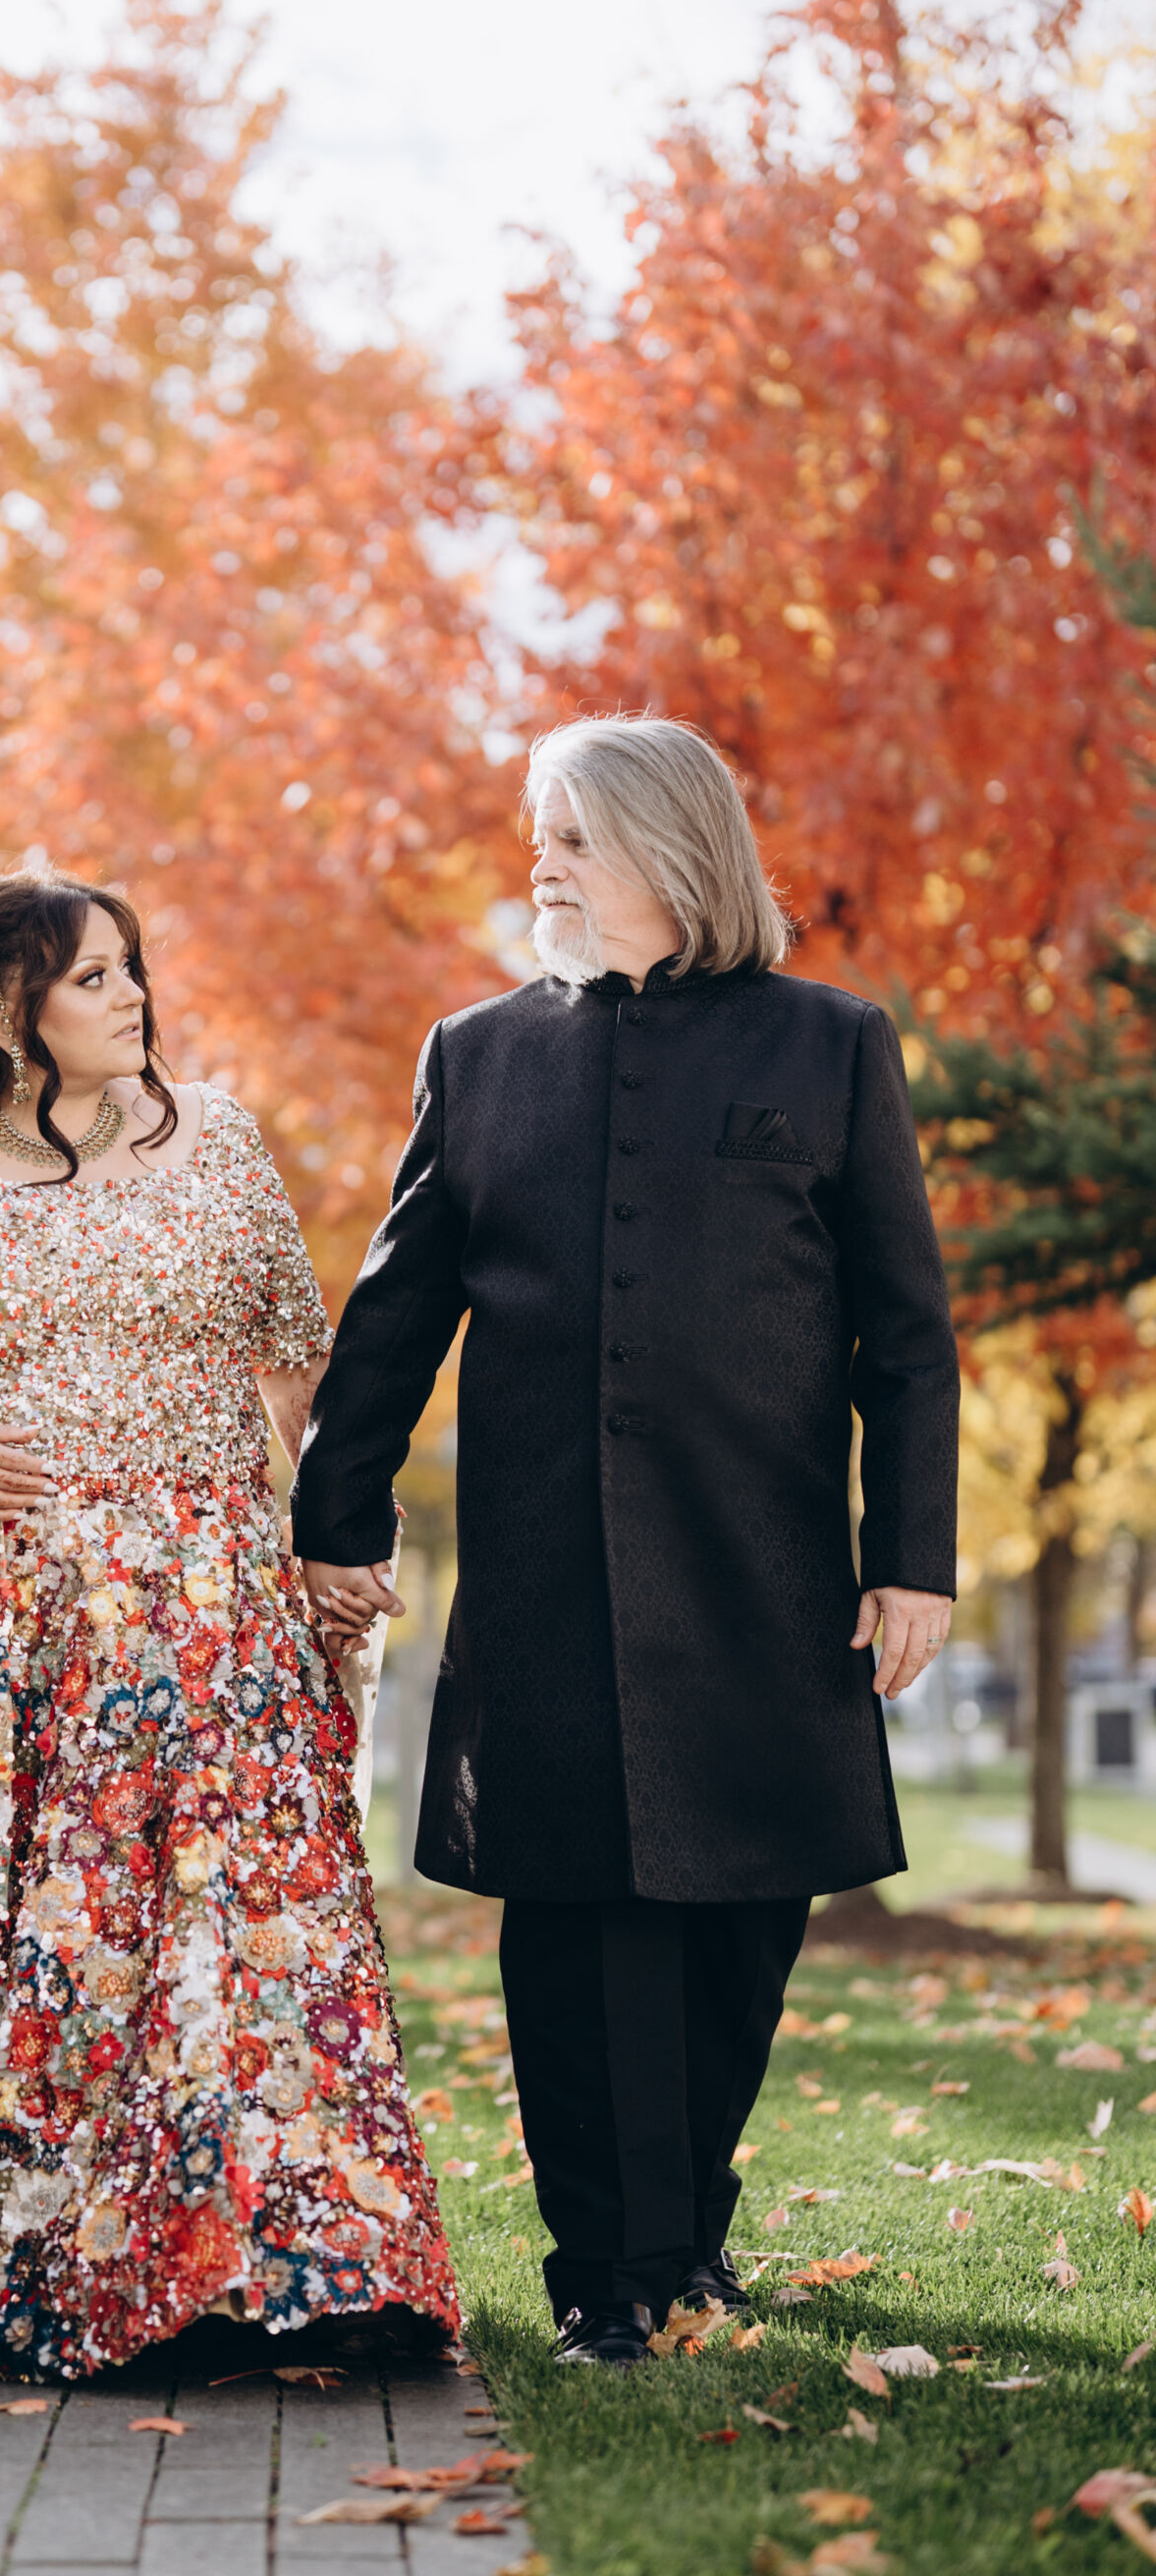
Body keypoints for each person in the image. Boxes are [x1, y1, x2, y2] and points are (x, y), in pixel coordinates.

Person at [0, 866, 457, 2377]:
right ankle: (75, 2267)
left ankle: (311, 2264)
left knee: (248, 1938)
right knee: (63, 1952)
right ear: (7, 1008)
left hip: (216, 1617)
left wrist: (335, 1537)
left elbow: (296, 1368)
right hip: (14, 1633)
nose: (133, 998)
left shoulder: (217, 1139)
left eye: (132, 969)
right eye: (94, 976)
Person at [293, 714, 959, 2368]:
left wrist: (914, 1555)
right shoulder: (478, 1053)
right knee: (575, 1917)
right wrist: (336, 1514)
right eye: (544, 833)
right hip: (546, 1567)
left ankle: (686, 2226)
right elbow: (397, 1311)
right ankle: (607, 2271)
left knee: (746, 1918)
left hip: (766, 1567)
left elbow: (906, 1334)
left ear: (671, 848)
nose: (544, 861)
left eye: (575, 835)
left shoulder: (831, 1043)